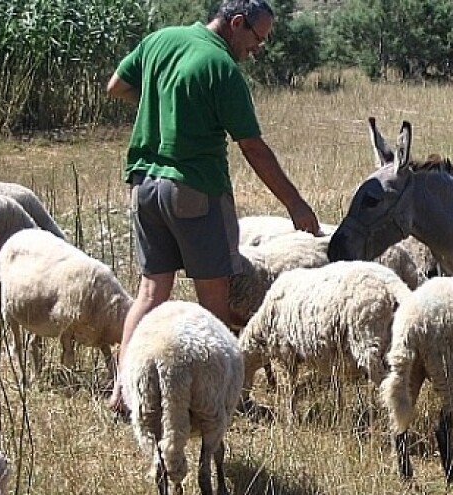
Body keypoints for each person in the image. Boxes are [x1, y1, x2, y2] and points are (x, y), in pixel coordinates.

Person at [105, 0, 320, 415]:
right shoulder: (221, 68)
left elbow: (116, 85)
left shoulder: (159, 40)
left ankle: (121, 395)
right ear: (237, 23)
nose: (257, 49)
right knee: (215, 299)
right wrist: (295, 204)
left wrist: (166, 102)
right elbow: (254, 148)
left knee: (150, 292)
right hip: (194, 190)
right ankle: (225, 398)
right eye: (257, 39)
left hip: (144, 186)